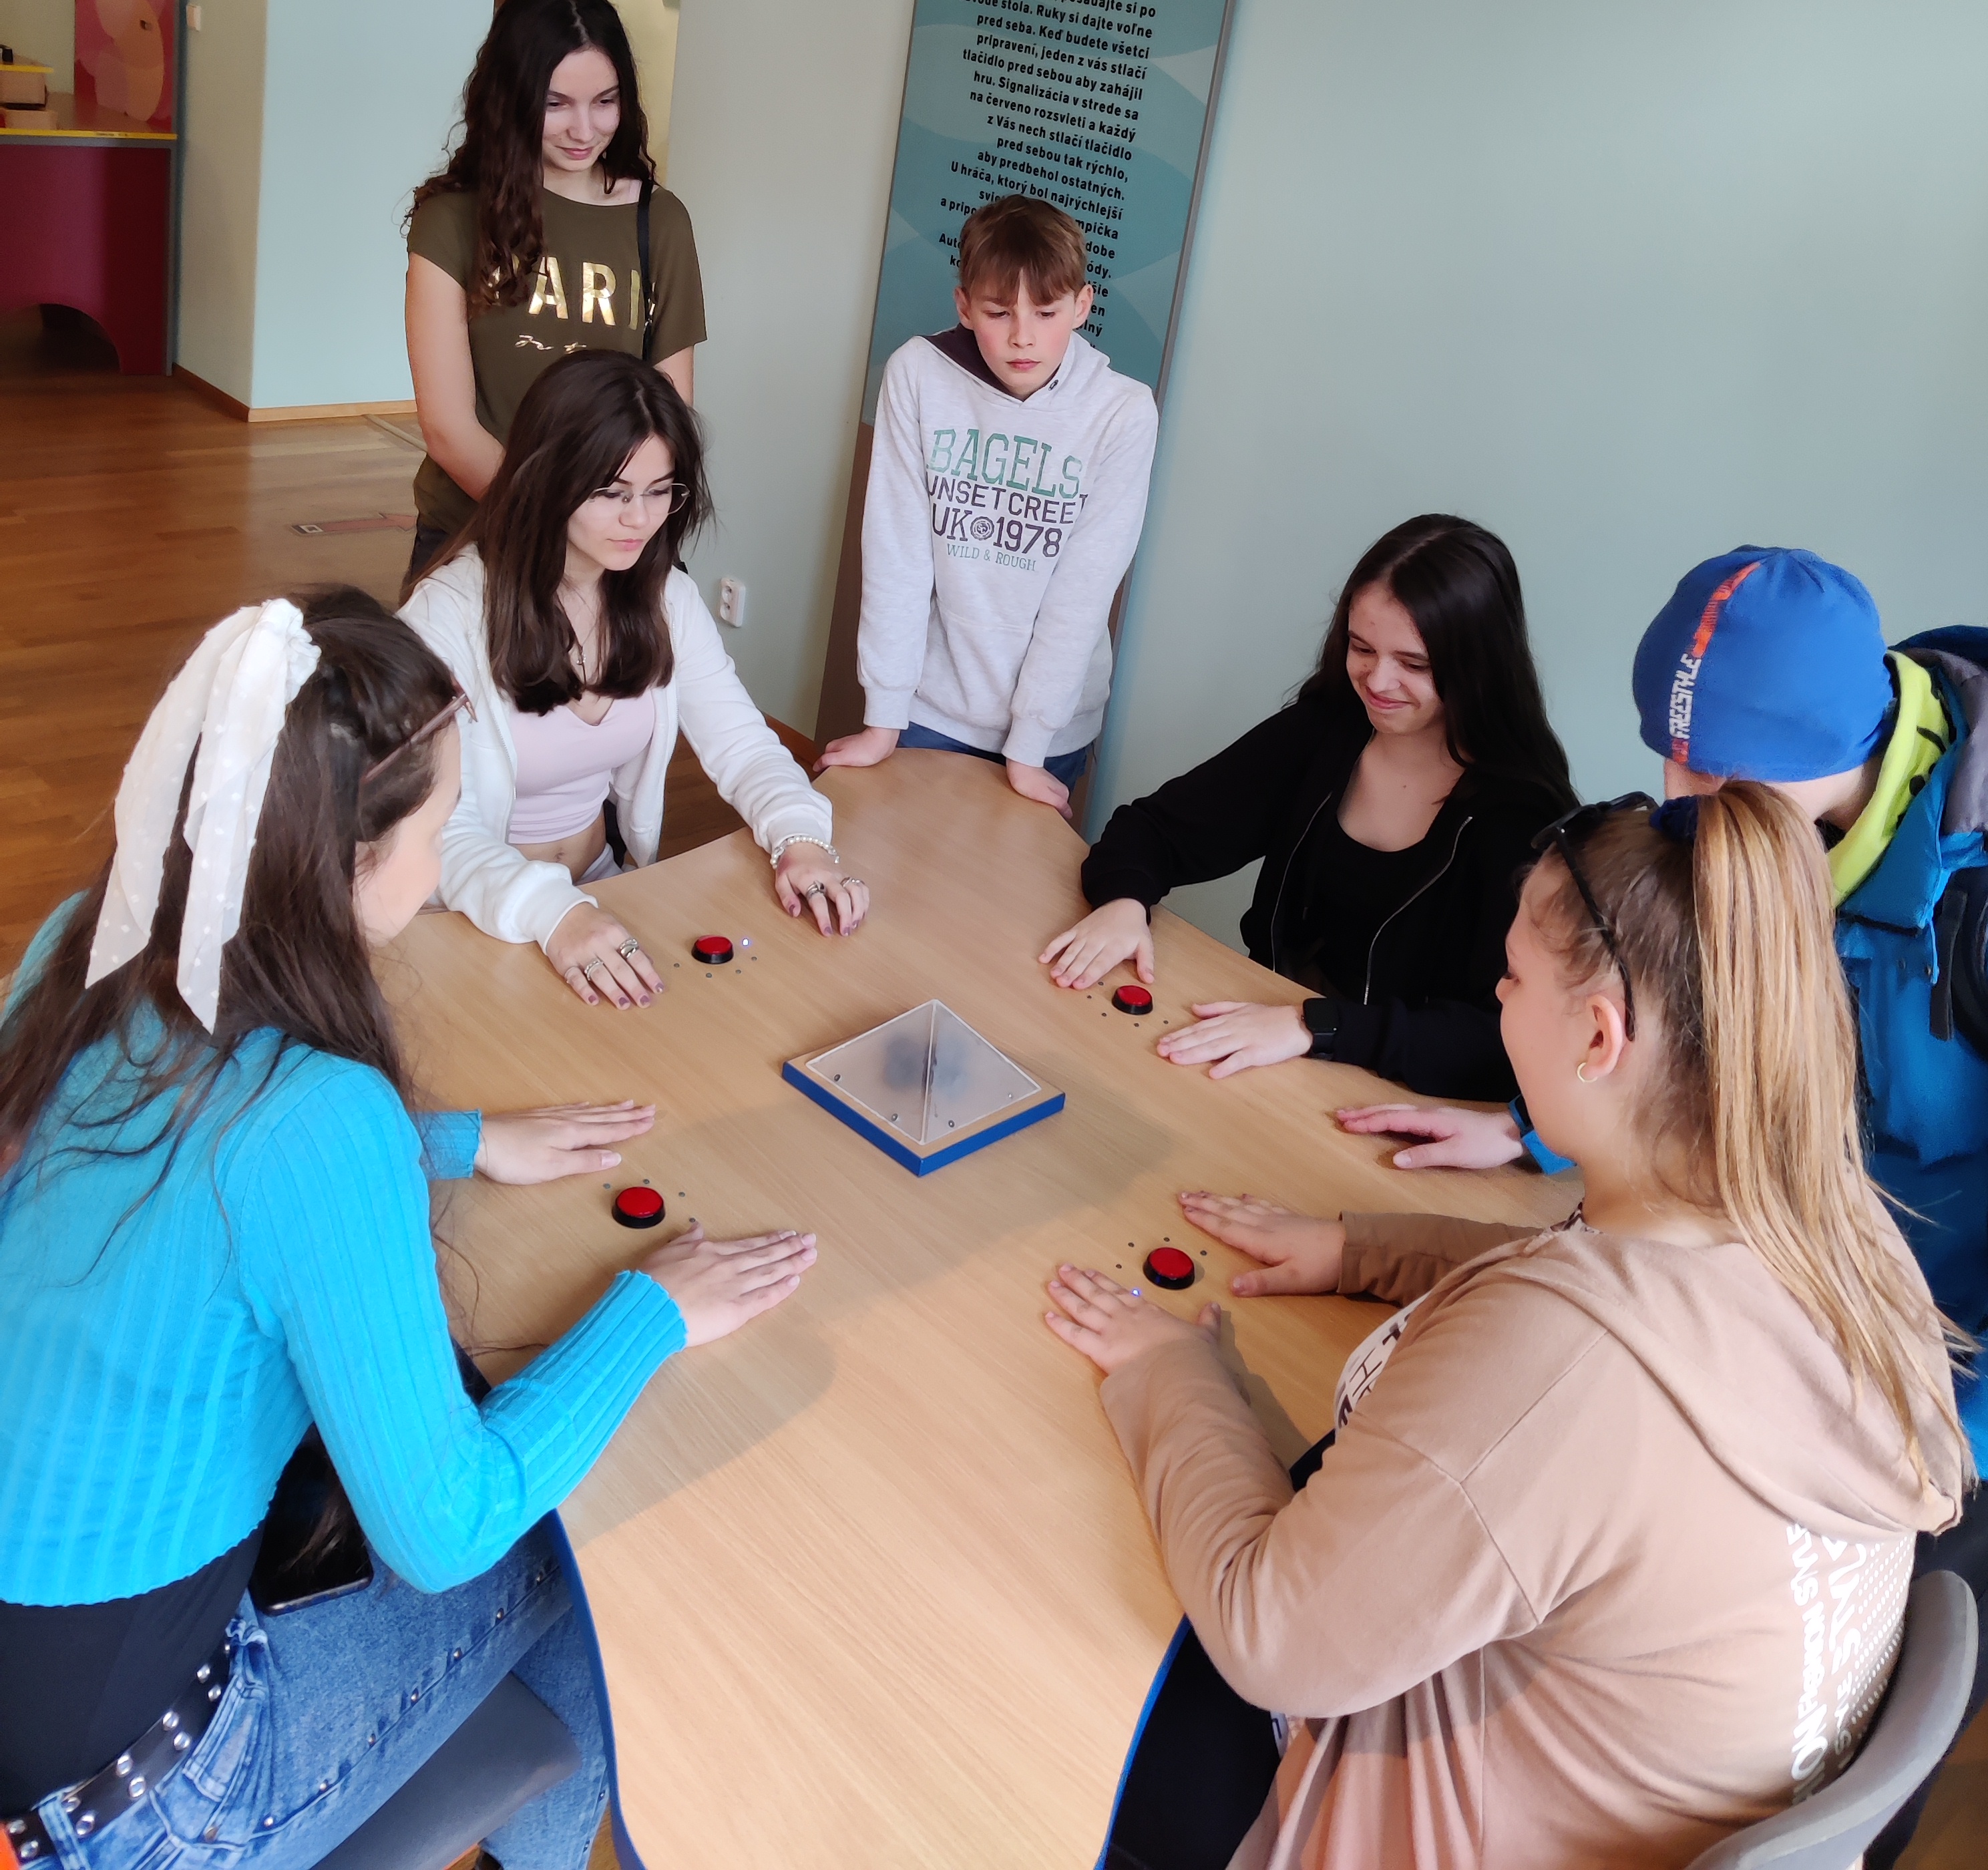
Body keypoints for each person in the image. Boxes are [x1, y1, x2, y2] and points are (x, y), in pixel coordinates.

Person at [0, 589, 815, 1867]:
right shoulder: (316, 1119)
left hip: (40, 1701)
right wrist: (651, 1313)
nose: (442, 867)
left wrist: (446, 1141)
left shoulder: (82, 951)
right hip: (139, 1804)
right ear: (341, 861)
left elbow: (190, 1157)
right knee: (578, 1559)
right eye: (438, 830)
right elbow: (446, 1530)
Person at [1046, 782, 1967, 1870]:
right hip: (1629, 1795)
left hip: (1416, 1825)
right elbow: (1634, 1301)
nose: (1496, 990)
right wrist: (1363, 1248)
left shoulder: (1562, 1367)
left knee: (1061, 1686)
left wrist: (1170, 1372)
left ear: (1599, 1035)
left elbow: (1269, 1635)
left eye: (1515, 974)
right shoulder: (1836, 1227)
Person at [1334, 544, 1988, 1862]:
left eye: (1717, 774)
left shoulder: (1979, 907)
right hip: (1777, 1318)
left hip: (1947, 1393)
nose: (1682, 802)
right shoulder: (1772, 817)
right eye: (1669, 758)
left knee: (1830, 1736)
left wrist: (1938, 1437)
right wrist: (1533, 1123)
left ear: (1837, 748)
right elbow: (1704, 1029)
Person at [1041, 516, 1574, 1102]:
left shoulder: (1523, 820)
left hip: (1398, 1097)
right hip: (1270, 1052)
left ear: (1480, 664)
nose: (1378, 681)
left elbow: (1505, 1044)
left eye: (1414, 664)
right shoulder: (1328, 729)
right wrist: (1124, 901)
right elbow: (1155, 829)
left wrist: (1315, 1026)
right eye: (1362, 648)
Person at [402, 350, 863, 1010]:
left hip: (598, 891)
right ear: (547, 479)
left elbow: (743, 744)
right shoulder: (446, 615)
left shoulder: (666, 597)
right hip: (475, 912)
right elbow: (437, 827)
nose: (641, 520)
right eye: (612, 494)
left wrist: (801, 838)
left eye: (660, 491)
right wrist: (554, 912)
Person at [819, 194, 1159, 815]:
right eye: (999, 313)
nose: (1022, 336)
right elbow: (897, 555)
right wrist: (884, 717)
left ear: (1082, 306)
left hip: (1050, 729)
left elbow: (1082, 594)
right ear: (965, 307)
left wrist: (1029, 746)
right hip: (929, 708)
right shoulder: (917, 374)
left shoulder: (1123, 413)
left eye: (1047, 312)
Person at [403, 0, 707, 592]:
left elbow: (669, 414)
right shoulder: (452, 219)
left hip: (614, 551)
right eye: (556, 104)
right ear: (513, 97)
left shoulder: (660, 221)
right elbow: (449, 429)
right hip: (476, 532)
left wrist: (603, 531)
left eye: (605, 101)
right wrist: (557, 527)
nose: (584, 130)